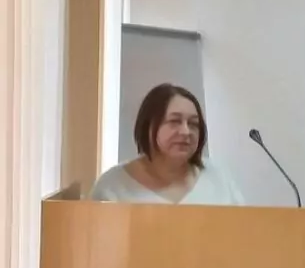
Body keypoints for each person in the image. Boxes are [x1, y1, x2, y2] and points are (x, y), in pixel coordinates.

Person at [89, 83, 244, 205]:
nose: (186, 131)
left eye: (193, 124)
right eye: (174, 121)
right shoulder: (112, 186)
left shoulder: (219, 178)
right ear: (148, 127)